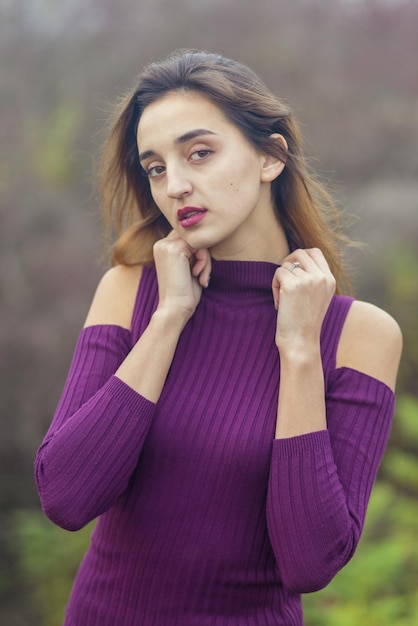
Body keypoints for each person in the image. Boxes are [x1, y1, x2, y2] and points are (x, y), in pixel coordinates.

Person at [35, 50, 402, 626]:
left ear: (270, 156)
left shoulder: (360, 335)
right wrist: (170, 316)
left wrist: (300, 350)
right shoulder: (129, 293)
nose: (175, 185)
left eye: (199, 153)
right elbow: (66, 497)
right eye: (155, 167)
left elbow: (310, 561)